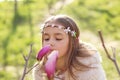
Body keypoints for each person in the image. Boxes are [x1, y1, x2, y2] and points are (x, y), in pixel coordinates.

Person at [32, 15, 106, 80]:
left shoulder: (89, 69)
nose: (50, 43)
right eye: (46, 38)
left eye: (58, 38)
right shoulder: (40, 71)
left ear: (73, 42)